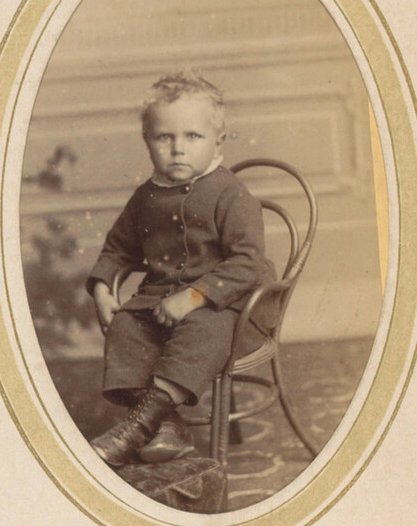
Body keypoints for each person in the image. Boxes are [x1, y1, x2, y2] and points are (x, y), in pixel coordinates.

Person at [86, 71, 278, 467]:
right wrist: (103, 288)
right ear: (148, 142)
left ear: (218, 141)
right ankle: (167, 425)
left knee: (204, 328)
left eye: (193, 137)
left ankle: (135, 430)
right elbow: (117, 247)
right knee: (125, 326)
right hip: (160, 304)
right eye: (164, 137)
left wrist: (192, 297)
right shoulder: (146, 196)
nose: (178, 149)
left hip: (230, 308)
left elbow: (249, 263)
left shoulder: (230, 194)